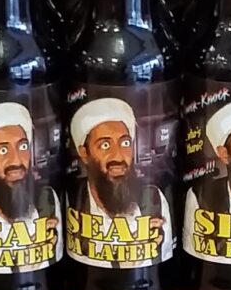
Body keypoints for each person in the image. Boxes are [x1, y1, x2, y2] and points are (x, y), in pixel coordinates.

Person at [72, 97, 169, 226]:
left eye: (125, 143)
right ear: (84, 153)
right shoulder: (72, 199)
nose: (118, 156)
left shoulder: (154, 199)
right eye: (105, 145)